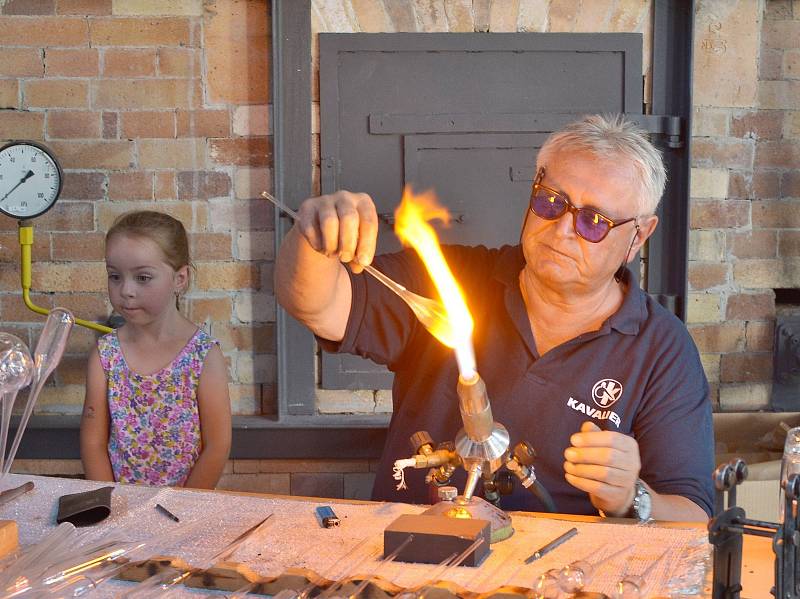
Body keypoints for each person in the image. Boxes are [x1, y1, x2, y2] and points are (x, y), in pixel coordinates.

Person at [276, 114, 714, 520]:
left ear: (638, 236)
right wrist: (314, 238)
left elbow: (693, 515)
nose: (562, 229)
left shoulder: (660, 349)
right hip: (415, 558)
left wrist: (631, 497)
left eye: (594, 221)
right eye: (551, 201)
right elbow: (316, 305)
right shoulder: (452, 280)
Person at [81, 211, 231, 489]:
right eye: (115, 276)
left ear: (180, 278)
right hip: (120, 512)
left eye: (143, 278)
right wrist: (110, 506)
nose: (126, 290)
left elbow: (217, 445)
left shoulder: (203, 355)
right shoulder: (106, 355)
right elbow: (93, 442)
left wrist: (184, 508)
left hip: (183, 514)